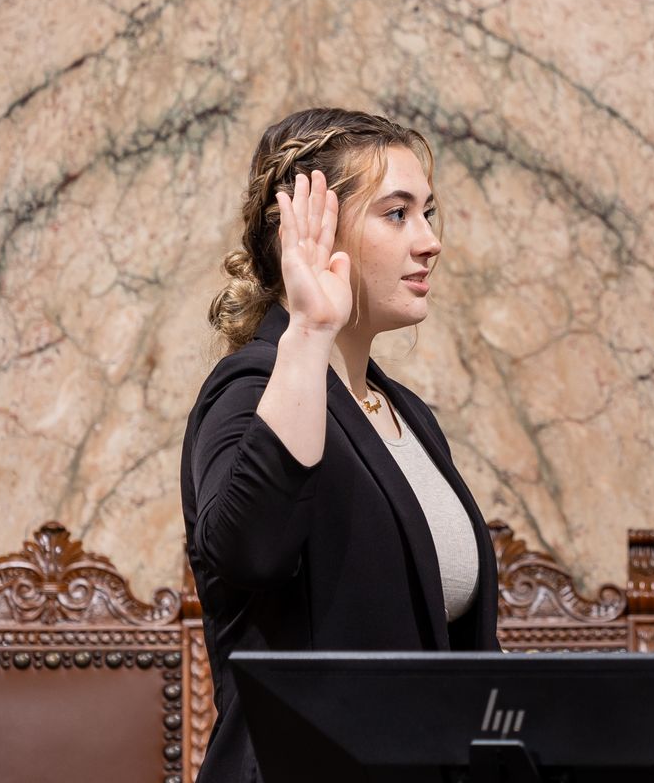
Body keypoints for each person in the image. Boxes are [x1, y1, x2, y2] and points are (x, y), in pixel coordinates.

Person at [181, 107, 498, 782]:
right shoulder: (250, 388)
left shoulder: (405, 412)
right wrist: (309, 328)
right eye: (397, 214)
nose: (430, 240)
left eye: (428, 212)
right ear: (316, 233)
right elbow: (250, 552)